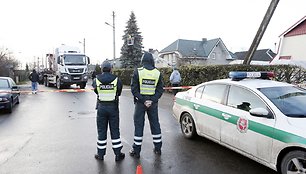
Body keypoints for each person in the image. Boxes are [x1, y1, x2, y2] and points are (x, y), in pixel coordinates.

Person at [129, 52, 164, 158]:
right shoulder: (157, 73)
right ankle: (158, 148)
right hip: (153, 104)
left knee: (139, 125)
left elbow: (134, 89)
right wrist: (151, 100)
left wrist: (143, 100)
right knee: (155, 125)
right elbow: (160, 90)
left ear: (142, 60)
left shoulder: (138, 72)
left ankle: (136, 151)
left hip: (140, 103)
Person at [92, 60, 125, 162]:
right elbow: (119, 92)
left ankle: (100, 155)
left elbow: (96, 91)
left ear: (102, 69)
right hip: (113, 108)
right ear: (111, 69)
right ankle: (118, 154)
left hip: (101, 108)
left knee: (102, 131)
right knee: (115, 131)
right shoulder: (116, 79)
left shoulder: (96, 79)